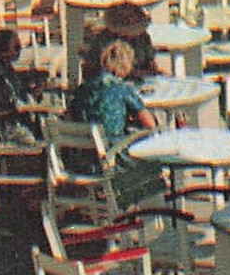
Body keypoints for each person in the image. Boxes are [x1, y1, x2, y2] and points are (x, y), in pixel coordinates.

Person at [68, 39, 161, 207]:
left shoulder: (83, 89)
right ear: (126, 65)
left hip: (84, 158)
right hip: (112, 156)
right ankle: (131, 207)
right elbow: (150, 125)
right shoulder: (122, 88)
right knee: (154, 161)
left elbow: (73, 116)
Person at [0, 28, 52, 145]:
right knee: (55, 132)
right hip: (10, 128)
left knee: (53, 126)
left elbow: (18, 96)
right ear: (3, 52)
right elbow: (5, 106)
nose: (20, 50)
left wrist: (35, 88)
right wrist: (32, 98)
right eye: (16, 47)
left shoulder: (5, 70)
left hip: (16, 122)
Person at [79, 3, 161, 82]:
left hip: (143, 82)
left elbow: (150, 63)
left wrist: (153, 73)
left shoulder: (143, 37)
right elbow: (91, 70)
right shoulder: (103, 40)